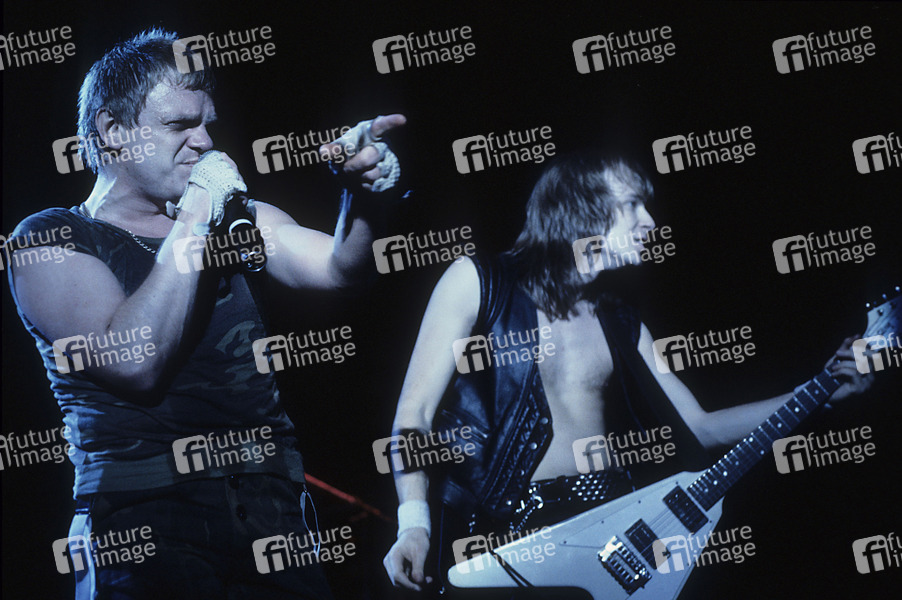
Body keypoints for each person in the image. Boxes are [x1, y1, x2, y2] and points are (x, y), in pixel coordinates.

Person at [6, 29, 405, 599]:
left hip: (273, 513)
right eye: (179, 125)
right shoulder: (51, 237)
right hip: (143, 519)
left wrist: (361, 196)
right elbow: (135, 362)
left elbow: (341, 270)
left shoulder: (237, 218)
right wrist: (196, 211)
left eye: (207, 123)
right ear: (113, 131)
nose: (205, 142)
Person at [381, 153, 872, 597]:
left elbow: (700, 427)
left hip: (609, 533)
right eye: (634, 204)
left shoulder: (622, 321)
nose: (650, 222)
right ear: (579, 206)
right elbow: (414, 413)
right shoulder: (478, 281)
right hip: (509, 536)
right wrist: (413, 523)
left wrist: (818, 391)